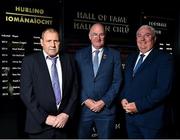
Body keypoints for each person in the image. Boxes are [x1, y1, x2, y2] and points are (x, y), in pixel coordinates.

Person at [20, 27, 78, 138]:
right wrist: (45, 118)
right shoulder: (30, 61)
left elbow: (74, 89)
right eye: (49, 41)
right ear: (41, 42)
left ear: (59, 42)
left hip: (64, 125)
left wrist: (66, 113)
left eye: (55, 41)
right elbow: (26, 94)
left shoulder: (69, 60)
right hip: (39, 126)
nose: (52, 45)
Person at [120, 25, 174, 138]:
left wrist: (138, 106)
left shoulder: (164, 59)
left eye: (147, 35)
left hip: (151, 122)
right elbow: (126, 83)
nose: (142, 39)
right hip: (131, 120)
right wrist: (123, 98)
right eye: (139, 36)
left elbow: (163, 90)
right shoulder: (131, 58)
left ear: (154, 39)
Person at [75, 23, 122, 139]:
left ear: (105, 36)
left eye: (101, 34)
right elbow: (75, 81)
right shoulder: (79, 55)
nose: (98, 38)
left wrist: (103, 101)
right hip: (84, 109)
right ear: (89, 36)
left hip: (106, 110)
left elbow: (117, 81)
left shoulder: (114, 55)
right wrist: (85, 100)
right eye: (95, 34)